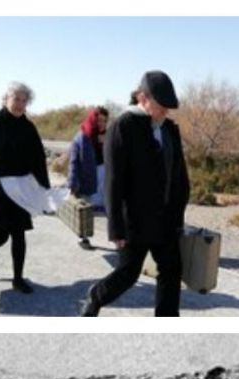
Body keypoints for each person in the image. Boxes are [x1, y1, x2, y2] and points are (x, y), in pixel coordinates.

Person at [81, 70, 190, 317]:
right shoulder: (123, 126)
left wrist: (179, 214)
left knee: (172, 271)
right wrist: (116, 227)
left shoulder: (169, 129)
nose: (165, 112)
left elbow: (179, 174)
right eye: (161, 106)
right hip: (135, 220)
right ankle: (97, 295)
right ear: (142, 98)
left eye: (168, 107)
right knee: (128, 274)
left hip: (166, 218)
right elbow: (113, 181)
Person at [0, 81, 50, 294]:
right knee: (2, 232)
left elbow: (38, 158)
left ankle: (18, 278)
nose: (20, 104)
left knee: (19, 233)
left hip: (20, 189)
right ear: (6, 99)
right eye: (16, 99)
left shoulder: (28, 127)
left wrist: (44, 187)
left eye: (24, 100)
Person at [68, 106, 109, 249]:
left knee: (110, 208)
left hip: (106, 178)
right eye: (99, 120)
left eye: (104, 121)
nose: (102, 124)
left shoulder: (109, 136)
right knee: (85, 210)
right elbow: (74, 162)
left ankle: (118, 239)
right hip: (88, 178)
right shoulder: (82, 137)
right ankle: (83, 238)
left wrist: (107, 143)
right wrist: (73, 183)